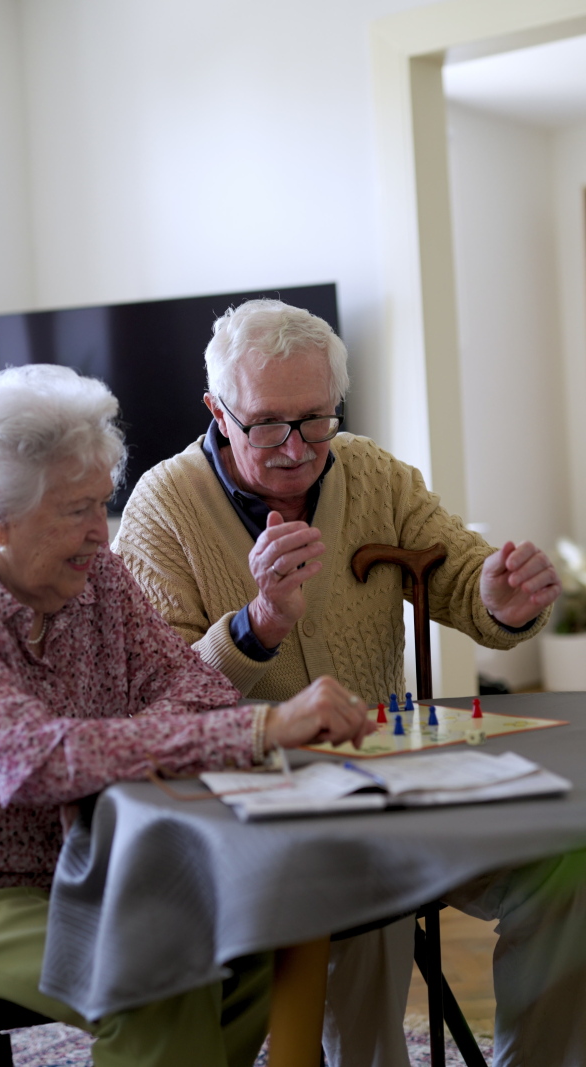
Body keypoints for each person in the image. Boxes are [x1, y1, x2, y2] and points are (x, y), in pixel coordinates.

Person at [114, 300, 586, 1067]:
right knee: (358, 896)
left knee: (568, 865)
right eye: (268, 423)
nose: (296, 449)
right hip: (254, 792)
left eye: (316, 419)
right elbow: (155, 700)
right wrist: (257, 624)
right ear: (218, 411)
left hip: (392, 767)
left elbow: (466, 577)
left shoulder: (372, 472)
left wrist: (503, 600)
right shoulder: (161, 509)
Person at [0, 363, 375, 1067]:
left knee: (255, 938)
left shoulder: (96, 577)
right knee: (155, 978)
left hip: (108, 862)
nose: (99, 538)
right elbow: (32, 758)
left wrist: (119, 748)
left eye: (101, 504)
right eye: (74, 510)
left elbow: (195, 686)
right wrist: (257, 728)